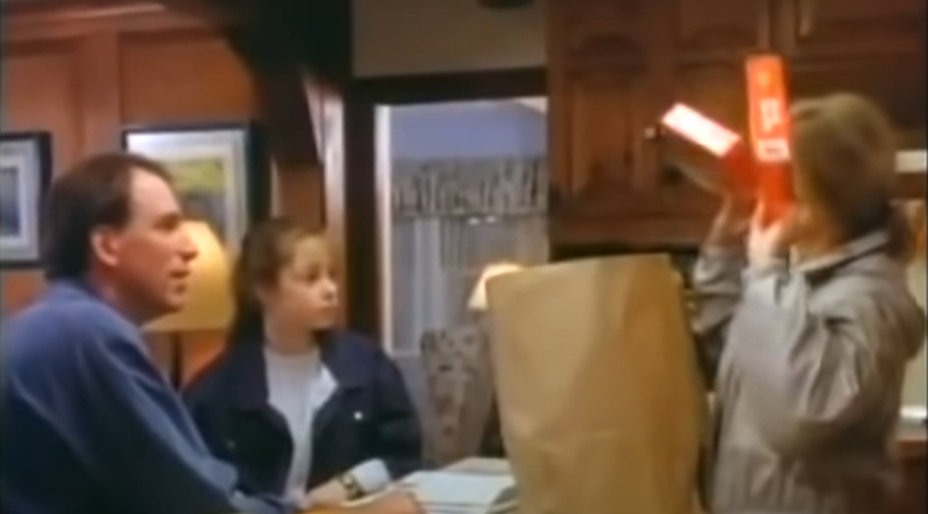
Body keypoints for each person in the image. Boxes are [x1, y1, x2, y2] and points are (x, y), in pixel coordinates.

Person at [0, 153, 421, 514]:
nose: (189, 248)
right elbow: (197, 502)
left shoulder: (53, 326)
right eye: (167, 227)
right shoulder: (87, 337)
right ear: (107, 246)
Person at [691, 93, 926, 514]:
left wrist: (766, 273)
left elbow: (806, 413)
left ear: (825, 197)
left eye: (781, 179)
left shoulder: (873, 297)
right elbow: (735, 351)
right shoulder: (795, 284)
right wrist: (727, 249)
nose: (767, 190)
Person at [183, 218, 422, 510]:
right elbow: (196, 485)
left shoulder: (366, 365)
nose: (330, 289)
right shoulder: (216, 389)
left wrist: (350, 483)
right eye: (311, 278)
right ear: (262, 289)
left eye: (332, 276)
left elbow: (406, 457)